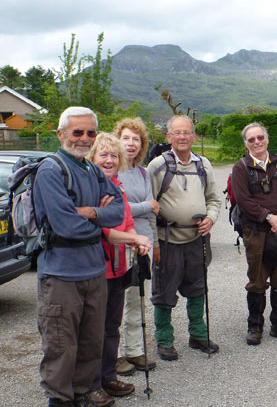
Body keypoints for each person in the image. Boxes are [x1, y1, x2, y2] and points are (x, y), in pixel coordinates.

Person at [33, 107, 124, 407]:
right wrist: (99, 217)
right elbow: (66, 226)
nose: (84, 139)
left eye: (90, 133)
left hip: (94, 270)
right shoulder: (51, 170)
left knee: (90, 340)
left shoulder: (92, 169)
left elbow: (118, 211)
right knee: (61, 344)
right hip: (61, 274)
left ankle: (85, 391)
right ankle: (60, 400)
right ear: (60, 134)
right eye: (77, 132)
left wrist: (91, 212)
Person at [148, 115, 221, 361]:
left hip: (196, 239)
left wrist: (211, 218)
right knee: (164, 292)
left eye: (186, 132)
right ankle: (165, 340)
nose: (182, 137)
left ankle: (198, 335)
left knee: (197, 288)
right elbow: (149, 205)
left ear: (193, 137)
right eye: (176, 133)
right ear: (168, 137)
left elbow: (214, 198)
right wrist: (154, 243)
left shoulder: (204, 165)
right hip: (168, 240)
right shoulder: (158, 166)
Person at [86, 133, 151, 406]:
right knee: (93, 329)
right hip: (98, 267)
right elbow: (104, 230)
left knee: (112, 326)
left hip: (119, 266)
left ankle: (109, 377)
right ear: (93, 157)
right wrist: (134, 239)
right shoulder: (91, 188)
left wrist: (137, 237)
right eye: (104, 155)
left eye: (114, 155)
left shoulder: (118, 186)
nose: (110, 160)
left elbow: (125, 222)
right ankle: (91, 384)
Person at [230, 122, 277, 346]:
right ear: (246, 144)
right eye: (251, 139)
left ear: (267, 139)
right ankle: (255, 325)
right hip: (257, 231)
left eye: (260, 137)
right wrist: (271, 218)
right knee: (257, 280)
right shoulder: (241, 168)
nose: (257, 142)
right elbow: (244, 201)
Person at [113, 118, 158, 375]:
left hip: (142, 245)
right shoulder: (111, 171)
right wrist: (144, 207)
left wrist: (154, 241)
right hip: (121, 244)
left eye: (136, 139)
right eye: (126, 138)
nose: (131, 144)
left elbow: (152, 208)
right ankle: (116, 353)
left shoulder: (143, 173)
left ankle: (134, 350)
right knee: (118, 301)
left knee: (137, 300)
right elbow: (117, 209)